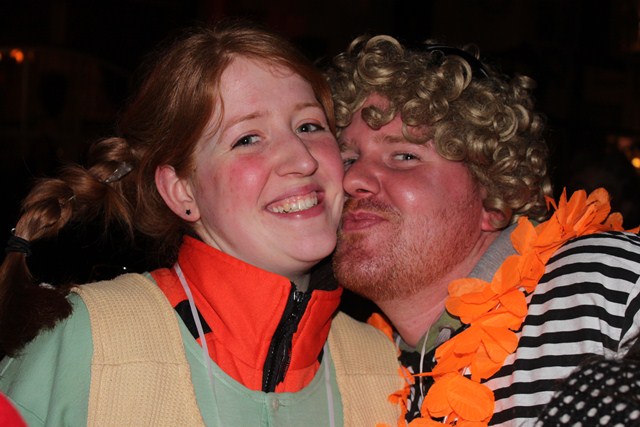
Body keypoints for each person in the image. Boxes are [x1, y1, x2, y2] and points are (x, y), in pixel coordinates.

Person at [0, 22, 400, 426]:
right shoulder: (85, 343)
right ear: (182, 191)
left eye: (309, 126)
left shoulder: (384, 367)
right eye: (248, 138)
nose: (302, 159)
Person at [325, 34, 640, 426]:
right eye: (347, 159)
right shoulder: (375, 381)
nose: (353, 179)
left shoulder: (601, 278)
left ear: (493, 199)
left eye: (404, 155)